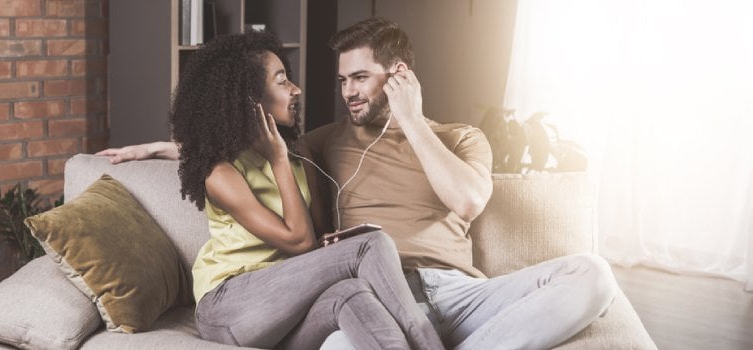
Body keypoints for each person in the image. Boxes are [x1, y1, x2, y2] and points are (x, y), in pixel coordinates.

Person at [99, 18, 617, 350]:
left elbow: (468, 199)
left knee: (591, 273)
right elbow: (232, 146)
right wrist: (161, 148)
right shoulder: (322, 143)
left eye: (361, 78)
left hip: (457, 292)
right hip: (372, 288)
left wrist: (413, 122)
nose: (347, 91)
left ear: (398, 75)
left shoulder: (460, 137)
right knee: (341, 343)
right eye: (342, 79)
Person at [103, 31, 444, 350]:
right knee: (371, 244)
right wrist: (278, 158)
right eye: (282, 81)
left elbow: (317, 239)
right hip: (229, 307)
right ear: (251, 97)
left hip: (283, 305)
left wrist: (158, 147)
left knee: (351, 293)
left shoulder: (301, 154)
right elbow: (299, 242)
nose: (296, 89)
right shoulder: (220, 171)